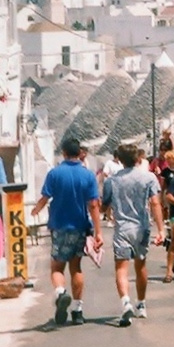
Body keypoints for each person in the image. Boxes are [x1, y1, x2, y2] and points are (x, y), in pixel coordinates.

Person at [31, 137, 102, 325]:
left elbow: (45, 197)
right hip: (80, 226)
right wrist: (98, 232)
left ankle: (61, 293)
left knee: (57, 267)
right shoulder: (87, 175)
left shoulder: (54, 174)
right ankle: (78, 310)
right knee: (76, 267)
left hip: (59, 226)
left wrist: (36, 210)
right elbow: (94, 205)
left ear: (63, 153)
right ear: (79, 153)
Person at [102, 142, 166, 325]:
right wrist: (161, 229)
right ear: (138, 158)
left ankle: (126, 303)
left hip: (122, 228)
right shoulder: (149, 178)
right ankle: (142, 304)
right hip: (142, 228)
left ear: (120, 160)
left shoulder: (111, 182)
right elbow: (155, 204)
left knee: (121, 268)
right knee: (141, 266)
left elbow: (104, 206)